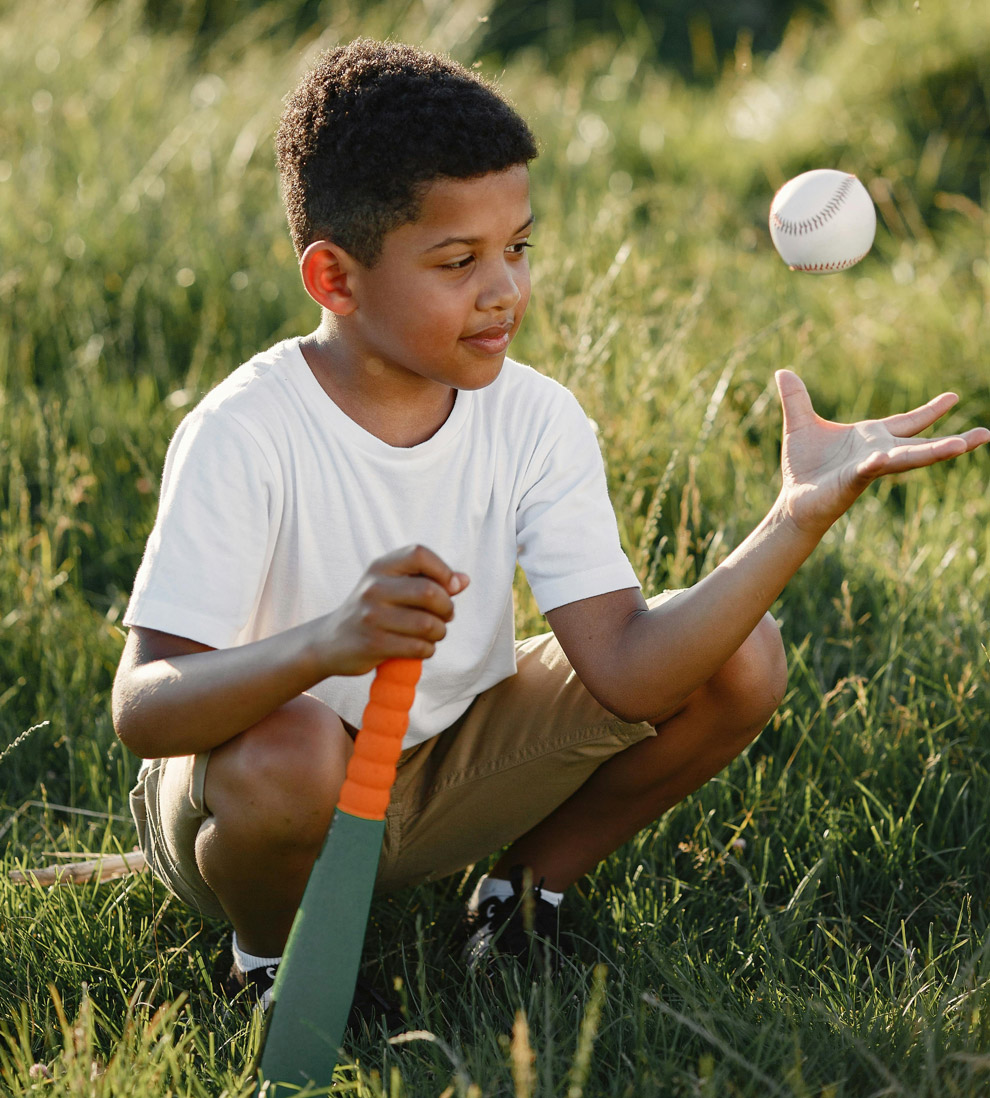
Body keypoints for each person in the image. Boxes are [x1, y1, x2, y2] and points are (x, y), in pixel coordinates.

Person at [112, 38, 989, 1014]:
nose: (505, 290)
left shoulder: (534, 418)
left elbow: (626, 671)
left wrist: (794, 517)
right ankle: (271, 964)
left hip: (439, 769)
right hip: (255, 805)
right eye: (459, 261)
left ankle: (520, 897)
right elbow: (145, 708)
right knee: (297, 747)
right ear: (335, 279)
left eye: (518, 249)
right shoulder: (246, 429)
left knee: (743, 656)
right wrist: (325, 644)